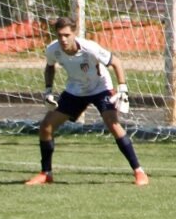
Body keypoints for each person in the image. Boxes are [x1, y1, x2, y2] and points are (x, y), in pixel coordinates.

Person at [25, 16, 149, 186]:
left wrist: (122, 88)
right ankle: (46, 173)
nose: (63, 39)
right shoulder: (53, 50)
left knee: (112, 123)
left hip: (100, 88)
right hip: (75, 90)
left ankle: (139, 172)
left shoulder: (90, 48)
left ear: (74, 33)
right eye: (60, 35)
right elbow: (50, 66)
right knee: (46, 126)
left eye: (67, 35)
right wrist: (48, 90)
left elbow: (116, 63)